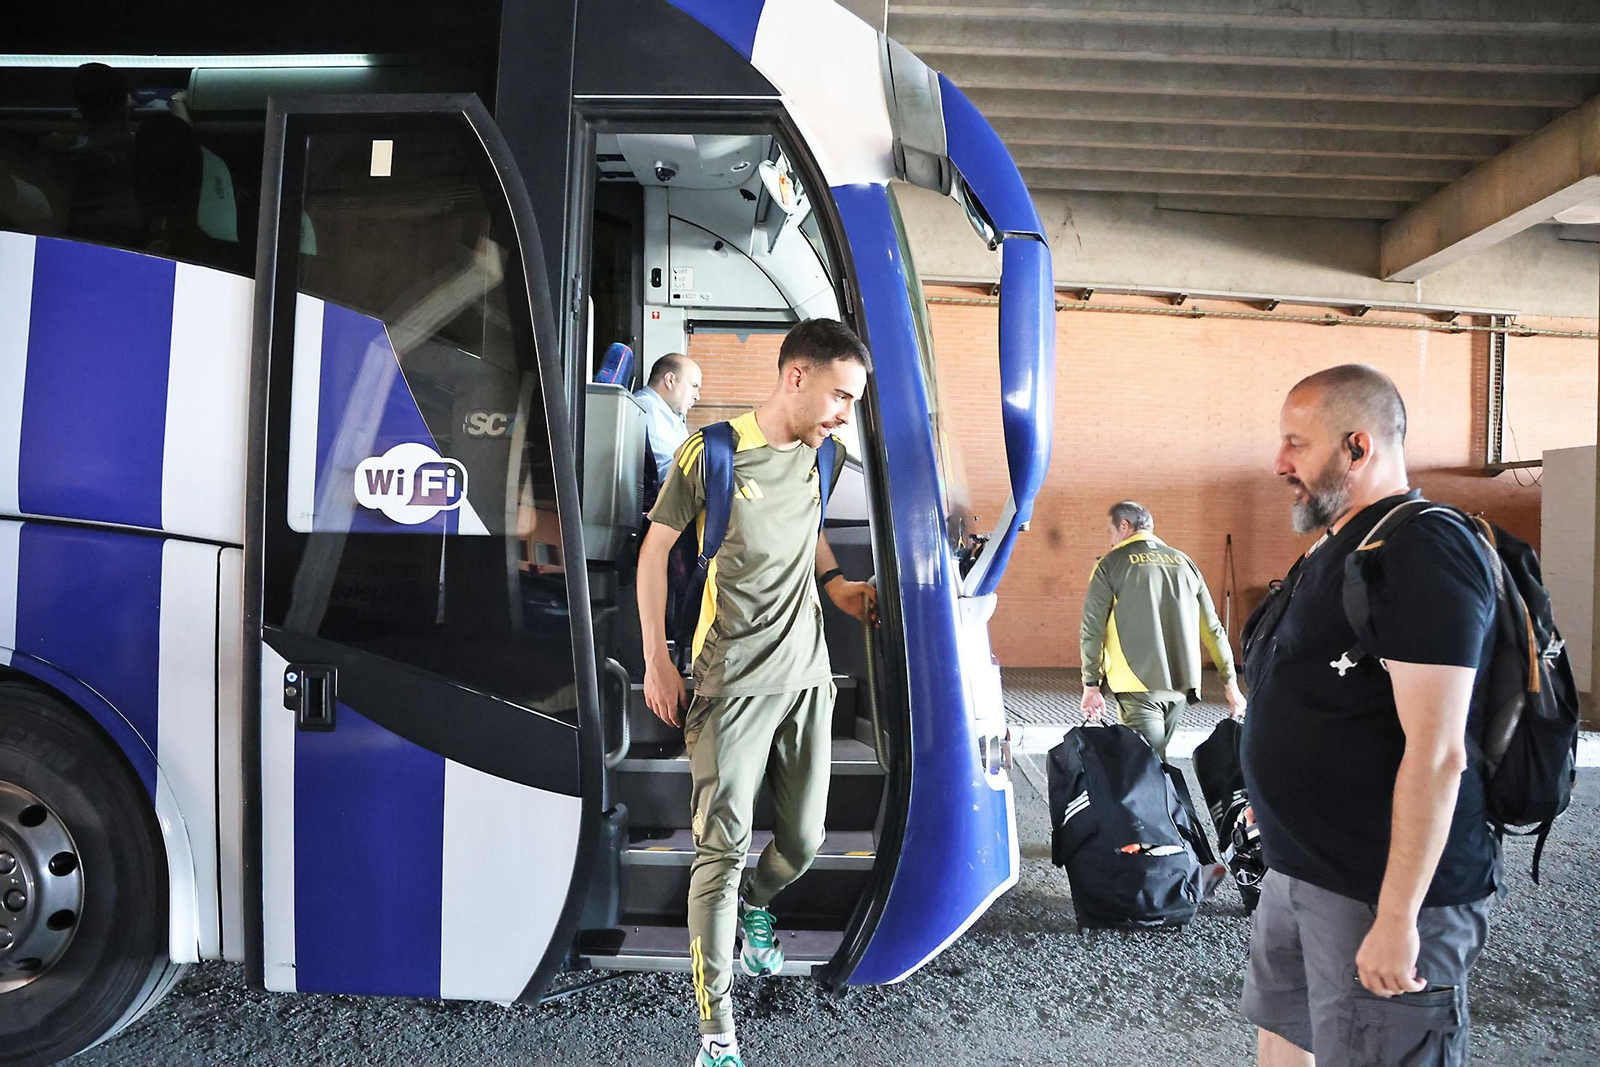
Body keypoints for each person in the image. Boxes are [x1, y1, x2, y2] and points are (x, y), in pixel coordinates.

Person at [1240, 365, 1498, 1067]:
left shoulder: (1424, 550)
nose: (1279, 462)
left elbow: (1440, 750)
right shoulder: (1339, 547)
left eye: (1297, 443)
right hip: (1302, 872)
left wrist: (1397, 917)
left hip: (1374, 891)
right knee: (1284, 1041)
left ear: (1358, 447)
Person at [637, 319, 876, 1067]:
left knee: (802, 843)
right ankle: (717, 1036)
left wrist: (837, 586)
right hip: (728, 680)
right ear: (797, 378)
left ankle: (757, 907)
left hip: (806, 678)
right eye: (840, 395)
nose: (844, 413)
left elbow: (810, 525)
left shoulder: (824, 454)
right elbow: (654, 555)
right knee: (722, 849)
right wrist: (655, 660)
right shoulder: (710, 452)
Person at [1079, 500, 1246, 758]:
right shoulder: (1185, 563)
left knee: (1144, 770)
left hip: (1136, 684)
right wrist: (1230, 685)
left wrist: (1092, 684)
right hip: (1181, 686)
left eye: (1111, 533)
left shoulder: (1110, 565)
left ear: (1124, 526)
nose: (1111, 541)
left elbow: (1092, 630)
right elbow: (1213, 629)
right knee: (1155, 762)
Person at [634, 352, 703, 483]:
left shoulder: (667, 414)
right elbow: (670, 475)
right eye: (694, 386)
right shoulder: (650, 409)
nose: (697, 396)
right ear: (670, 380)